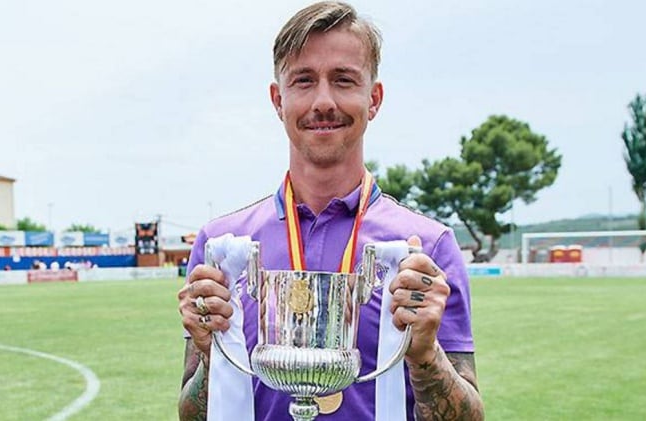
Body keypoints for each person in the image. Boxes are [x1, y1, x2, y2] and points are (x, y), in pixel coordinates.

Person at [177, 2, 484, 420]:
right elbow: (191, 413)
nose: (323, 101)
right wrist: (212, 353)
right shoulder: (221, 249)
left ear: (373, 98)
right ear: (277, 99)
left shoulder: (427, 250)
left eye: (343, 80)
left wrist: (427, 356)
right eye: (304, 81)